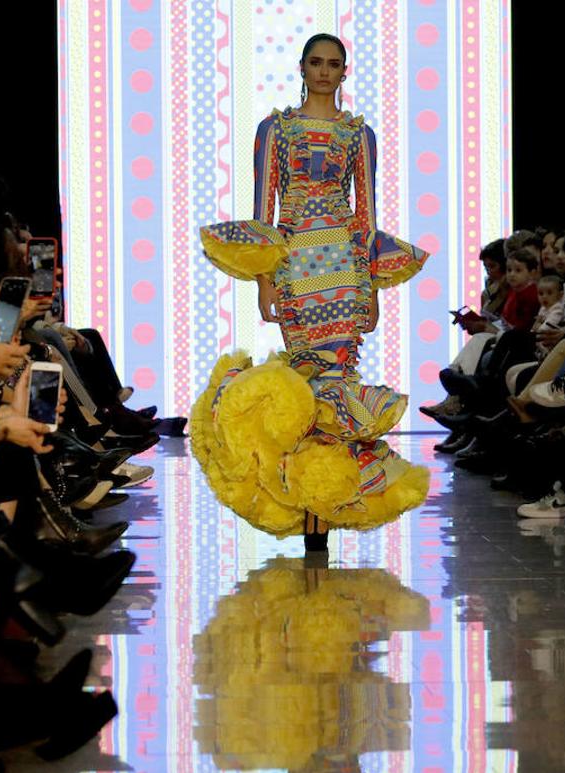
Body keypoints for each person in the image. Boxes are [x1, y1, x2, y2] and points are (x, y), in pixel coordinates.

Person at [195, 33, 430, 556]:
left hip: (345, 268)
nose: (325, 71)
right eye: (316, 63)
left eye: (334, 64)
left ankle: (325, 505)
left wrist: (372, 291)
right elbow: (263, 210)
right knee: (307, 381)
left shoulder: (357, 134)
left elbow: (366, 213)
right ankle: (306, 506)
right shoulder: (274, 130)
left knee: (339, 378)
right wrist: (263, 279)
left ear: (345, 72)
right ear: (302, 68)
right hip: (297, 263)